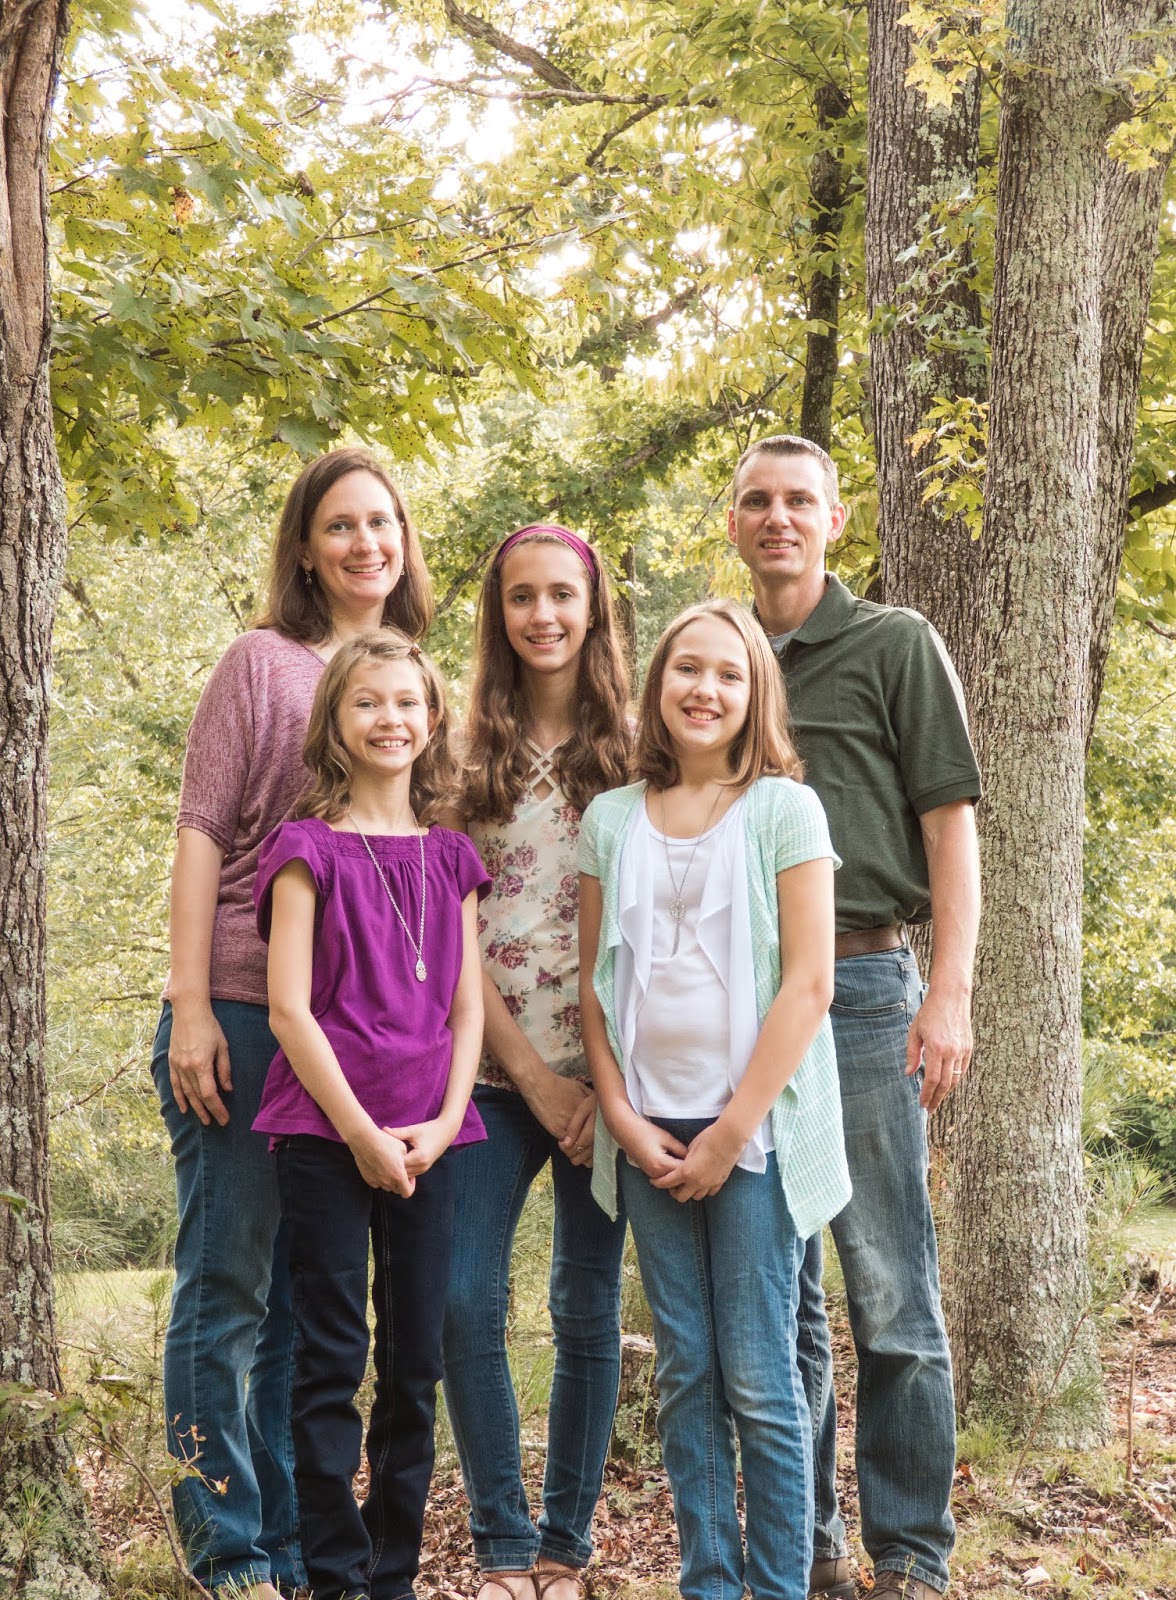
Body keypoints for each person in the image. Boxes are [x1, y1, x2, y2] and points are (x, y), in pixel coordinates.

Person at [152, 446, 433, 1599]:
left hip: (353, 1034)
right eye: (341, 525)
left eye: (383, 521)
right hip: (240, 1006)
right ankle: (227, 1552)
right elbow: (201, 830)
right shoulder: (259, 663)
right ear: (307, 548)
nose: (367, 542)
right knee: (228, 1289)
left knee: (298, 1308)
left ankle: (287, 1549)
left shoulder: (406, 676)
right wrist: (190, 1007)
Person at [727, 435, 982, 1600]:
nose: (777, 518)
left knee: (889, 1288)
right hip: (748, 1008)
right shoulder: (722, 656)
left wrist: (950, 991)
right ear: (735, 521)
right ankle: (811, 1544)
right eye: (757, 501)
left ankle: (913, 1556)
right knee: (778, 1296)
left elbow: (949, 825)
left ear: (835, 519)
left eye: (799, 501)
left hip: (870, 994)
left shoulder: (896, 642)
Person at [579, 599, 851, 1600]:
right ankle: (710, 1582)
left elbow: (810, 984)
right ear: (659, 684)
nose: (706, 689)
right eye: (688, 669)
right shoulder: (611, 819)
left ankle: (778, 1585)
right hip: (650, 1129)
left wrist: (733, 1131)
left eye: (729, 674)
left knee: (761, 1372)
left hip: (758, 1133)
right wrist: (619, 1115)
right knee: (686, 1369)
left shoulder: (785, 810)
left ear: (755, 695)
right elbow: (594, 987)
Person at [254, 630, 489, 1600]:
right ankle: (335, 1574)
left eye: (406, 702)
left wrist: (445, 1121)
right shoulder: (304, 850)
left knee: (414, 1361)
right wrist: (357, 1130)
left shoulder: (453, 856)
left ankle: (391, 1573)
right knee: (331, 1356)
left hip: (431, 1140)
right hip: (325, 1137)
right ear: (335, 723)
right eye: (367, 702)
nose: (389, 719)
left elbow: (468, 1009)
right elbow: (288, 1009)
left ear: (431, 721)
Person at [441, 524, 632, 1600]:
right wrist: (534, 1075)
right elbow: (451, 933)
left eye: (563, 594)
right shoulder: (459, 754)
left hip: (611, 1084)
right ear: (498, 613)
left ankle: (566, 1544)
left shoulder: (643, 749)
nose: (544, 614)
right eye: (523, 597)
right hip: (489, 1075)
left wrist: (600, 1084)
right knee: (462, 1300)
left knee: (586, 1305)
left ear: (593, 607)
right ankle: (502, 1543)